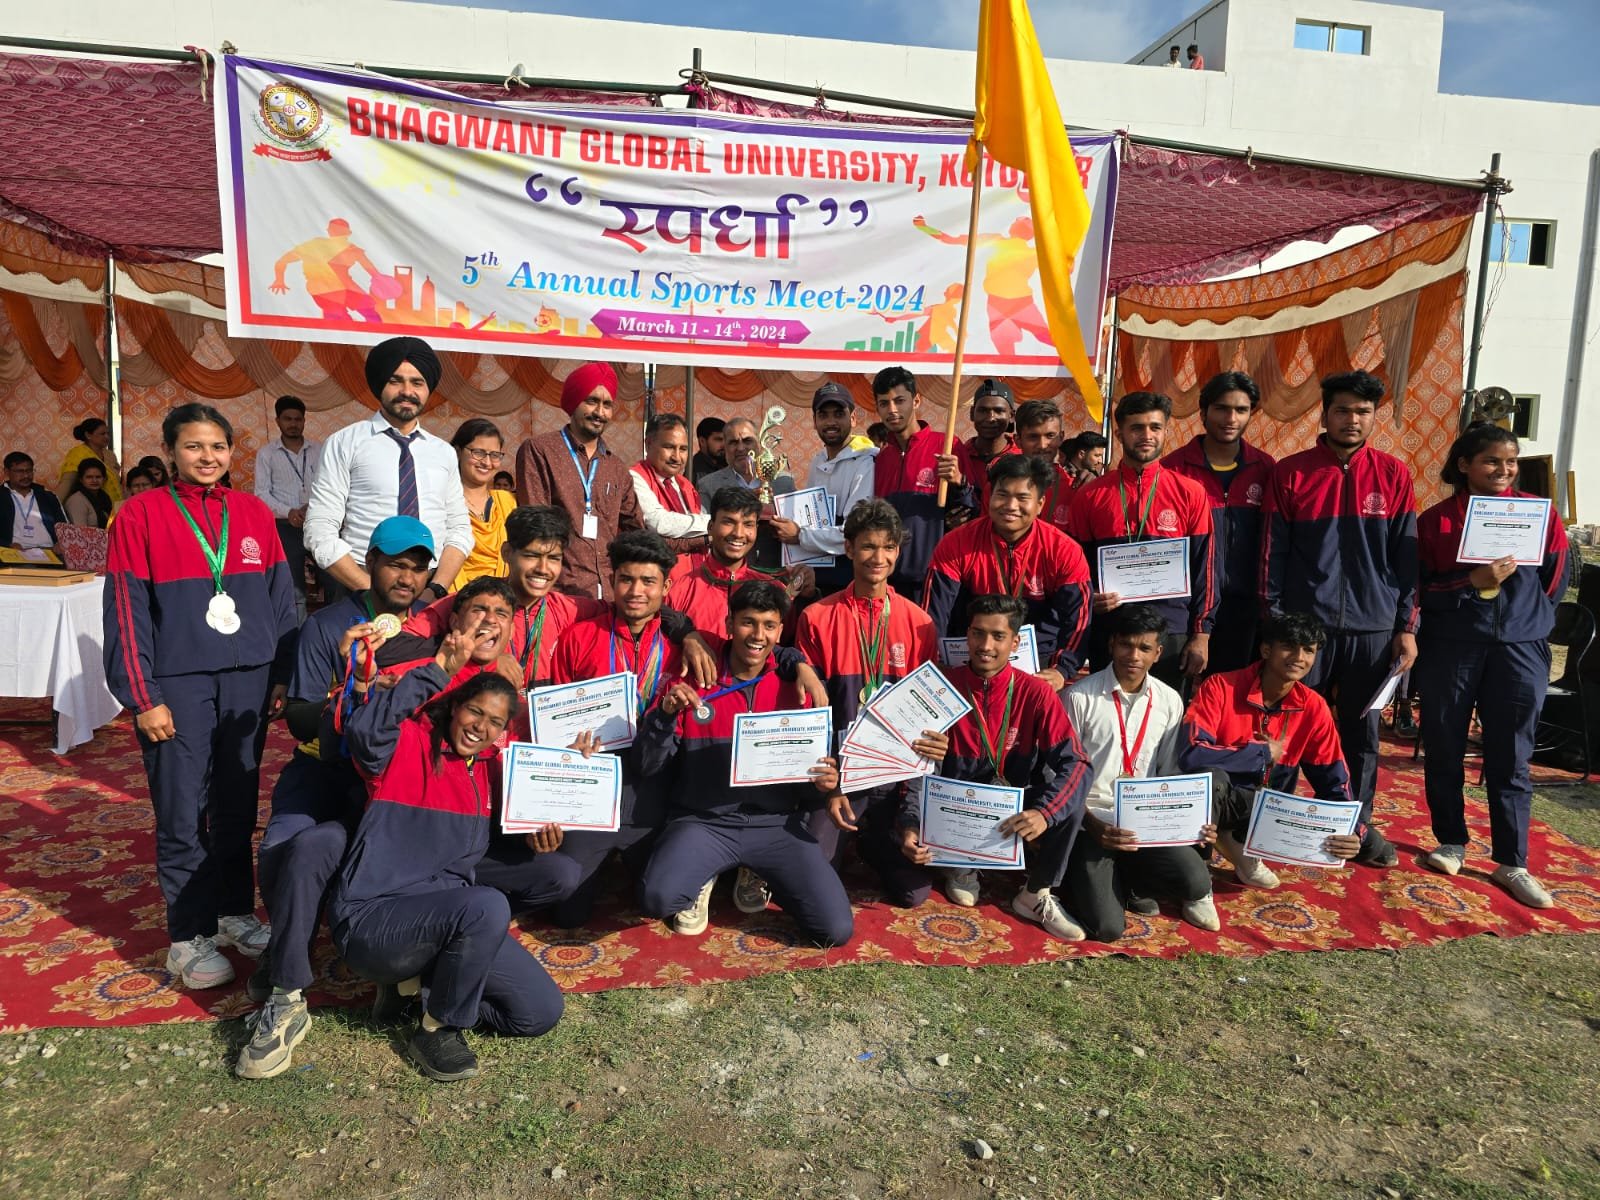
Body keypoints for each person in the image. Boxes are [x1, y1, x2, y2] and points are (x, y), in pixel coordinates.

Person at [103, 403, 298, 989]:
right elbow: (126, 611)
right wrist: (142, 696)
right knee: (182, 807)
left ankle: (234, 911)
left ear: (231, 451)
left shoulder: (253, 513)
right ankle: (188, 935)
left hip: (248, 680)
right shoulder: (140, 514)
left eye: (217, 446)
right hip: (178, 683)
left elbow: (281, 598)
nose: (207, 457)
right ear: (170, 452)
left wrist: (282, 673)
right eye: (193, 446)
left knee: (237, 804)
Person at [237, 516, 439, 1079]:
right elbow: (300, 716)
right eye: (395, 564)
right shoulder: (328, 626)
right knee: (286, 846)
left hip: (393, 775)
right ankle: (287, 966)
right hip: (325, 763)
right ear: (370, 562)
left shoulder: (431, 626)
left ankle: (394, 968)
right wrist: (353, 692)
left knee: (384, 851)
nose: (406, 577)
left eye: (417, 567)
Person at [332, 657, 564, 1083]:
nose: (480, 727)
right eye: (475, 711)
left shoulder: (488, 770)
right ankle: (437, 1028)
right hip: (373, 921)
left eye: (495, 722)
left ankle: (413, 990)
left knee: (539, 1013)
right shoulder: (408, 743)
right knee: (487, 906)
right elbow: (364, 731)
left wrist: (573, 769)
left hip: (442, 921)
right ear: (455, 706)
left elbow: (535, 797)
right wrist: (435, 670)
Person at [638, 581, 854, 944]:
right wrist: (664, 716)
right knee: (657, 899)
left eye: (769, 625)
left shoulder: (797, 684)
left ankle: (759, 870)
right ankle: (706, 873)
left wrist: (826, 784)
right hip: (705, 821)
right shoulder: (695, 677)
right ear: (728, 624)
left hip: (775, 824)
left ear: (780, 631)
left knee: (835, 930)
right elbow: (648, 764)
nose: (758, 635)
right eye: (748, 622)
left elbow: (814, 770)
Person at [1261, 370, 1417, 866]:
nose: (1353, 420)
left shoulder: (1394, 475)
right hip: (1307, 629)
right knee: (1287, 727)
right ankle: (1276, 825)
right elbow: (1272, 553)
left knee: (1361, 735)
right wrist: (1278, 621)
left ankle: (1355, 828)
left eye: (1363, 412)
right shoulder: (1292, 473)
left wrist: (1406, 628)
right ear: (1325, 413)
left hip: (1373, 628)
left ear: (1374, 417)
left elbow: (1407, 560)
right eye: (1343, 410)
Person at [1416, 424, 1571, 908]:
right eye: (1492, 461)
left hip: (1520, 649)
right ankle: (1451, 841)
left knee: (1512, 754)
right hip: (1452, 647)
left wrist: (1528, 621)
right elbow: (1419, 590)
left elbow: (1556, 579)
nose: (1503, 470)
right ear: (1465, 465)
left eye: (1511, 462)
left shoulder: (1540, 515)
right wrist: (1470, 582)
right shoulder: (1437, 521)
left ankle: (1512, 860)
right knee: (1444, 744)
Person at [898, 595, 1091, 935]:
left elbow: (1076, 763)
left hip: (1010, 802)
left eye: (998, 636)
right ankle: (958, 864)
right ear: (967, 635)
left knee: (1070, 804)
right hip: (955, 809)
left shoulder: (1036, 693)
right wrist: (910, 823)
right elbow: (916, 767)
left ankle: (1035, 893)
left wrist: (1044, 813)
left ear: (1015, 642)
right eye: (978, 633)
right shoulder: (943, 687)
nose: (985, 646)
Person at [795, 500, 946, 897]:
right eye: (868, 546)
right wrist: (831, 786)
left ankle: (871, 841)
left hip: (893, 774)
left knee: (913, 893)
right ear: (848, 548)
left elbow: (927, 713)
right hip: (841, 775)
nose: (878, 558)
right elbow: (812, 714)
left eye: (888, 547)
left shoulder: (920, 623)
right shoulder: (817, 617)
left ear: (898, 551)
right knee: (810, 880)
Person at [1061, 604, 1217, 940]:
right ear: (1111, 644)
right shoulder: (1078, 697)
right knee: (1107, 928)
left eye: (1144, 648)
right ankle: (1083, 876)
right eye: (1126, 645)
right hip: (1091, 822)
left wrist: (1192, 822)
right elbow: (1059, 776)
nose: (1134, 655)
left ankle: (1130, 880)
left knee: (1195, 881)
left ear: (1157, 653)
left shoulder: (1169, 700)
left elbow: (1170, 771)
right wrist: (1092, 824)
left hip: (1146, 821)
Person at [1179, 612, 1363, 889]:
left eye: (1308, 650)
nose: (1299, 657)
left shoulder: (1314, 706)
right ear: (1266, 650)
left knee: (1373, 846)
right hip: (1220, 799)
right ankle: (1197, 875)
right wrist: (1260, 754)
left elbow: (1334, 778)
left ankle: (1237, 842)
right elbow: (1190, 754)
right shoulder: (1220, 686)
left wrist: (1353, 829)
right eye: (1289, 647)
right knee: (1209, 778)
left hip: (1270, 808)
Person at [304, 336, 473, 597]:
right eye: (395, 381)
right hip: (361, 581)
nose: (407, 391)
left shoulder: (444, 453)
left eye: (417, 382)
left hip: (429, 584)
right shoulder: (345, 443)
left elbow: (459, 529)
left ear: (428, 389)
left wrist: (435, 589)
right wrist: (369, 589)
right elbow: (319, 528)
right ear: (380, 384)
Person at [1068, 391, 1216, 687]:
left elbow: (1206, 569)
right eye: (1136, 428)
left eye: (1155, 427)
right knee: (1105, 710)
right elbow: (1074, 568)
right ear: (1119, 433)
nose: (1147, 435)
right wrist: (1089, 597)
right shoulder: (1090, 496)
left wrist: (1201, 633)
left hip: (1170, 630)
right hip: (1111, 628)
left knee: (1165, 712)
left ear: (1165, 431)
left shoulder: (1190, 493)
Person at [924, 453, 1092, 682]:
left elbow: (1078, 619)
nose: (1011, 506)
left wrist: (1061, 670)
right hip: (973, 655)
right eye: (1002, 495)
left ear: (1040, 504)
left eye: (1022, 498)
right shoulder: (956, 543)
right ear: (989, 497)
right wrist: (935, 664)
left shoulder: (1064, 550)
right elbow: (933, 614)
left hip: (1039, 660)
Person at [1162, 371, 1276, 673]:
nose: (1231, 418)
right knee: (1177, 690)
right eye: (1222, 408)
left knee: (1230, 690)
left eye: (1241, 410)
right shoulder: (1173, 469)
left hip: (1244, 606)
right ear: (1203, 413)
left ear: (1252, 414)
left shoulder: (1265, 468)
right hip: (1185, 606)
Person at [513, 362, 643, 601]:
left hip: (609, 596)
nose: (600, 412)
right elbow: (536, 528)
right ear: (573, 403)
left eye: (607, 405)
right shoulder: (540, 451)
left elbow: (635, 532)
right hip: (559, 593)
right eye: (592, 401)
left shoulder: (616, 468)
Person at [870, 366, 973, 597]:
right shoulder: (882, 458)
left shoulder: (947, 446)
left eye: (899, 401)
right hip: (889, 579)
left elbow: (970, 510)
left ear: (916, 400)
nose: (892, 410)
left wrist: (959, 483)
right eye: (884, 403)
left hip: (934, 578)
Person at [776, 382, 877, 595]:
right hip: (817, 577)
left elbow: (854, 533)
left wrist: (800, 535)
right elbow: (810, 519)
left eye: (839, 414)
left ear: (853, 418)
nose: (831, 422)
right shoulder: (818, 460)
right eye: (823, 415)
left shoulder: (866, 462)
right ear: (814, 421)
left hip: (849, 582)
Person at [255, 395, 325, 624]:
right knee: (294, 588)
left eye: (298, 419)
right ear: (278, 421)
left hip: (318, 522)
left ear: (304, 421)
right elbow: (261, 494)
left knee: (334, 579)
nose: (293, 424)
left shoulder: (319, 449)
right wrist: (289, 512)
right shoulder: (267, 453)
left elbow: (330, 485)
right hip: (284, 526)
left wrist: (310, 507)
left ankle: (331, 631)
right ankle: (298, 634)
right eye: (288, 419)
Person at [696, 414, 797, 572]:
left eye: (747, 441)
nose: (741, 448)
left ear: (759, 443)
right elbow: (704, 529)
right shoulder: (708, 485)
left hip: (775, 570)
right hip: (727, 572)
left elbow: (796, 529)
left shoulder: (784, 481)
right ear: (725, 447)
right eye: (733, 442)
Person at [450, 417, 516, 591]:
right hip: (453, 597)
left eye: (494, 455)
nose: (487, 462)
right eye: (478, 452)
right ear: (458, 452)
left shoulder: (507, 501)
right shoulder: (444, 502)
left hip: (504, 598)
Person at [631, 413, 709, 555]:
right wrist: (714, 523)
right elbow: (658, 522)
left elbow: (702, 518)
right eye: (669, 447)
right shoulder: (634, 478)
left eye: (683, 449)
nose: (677, 457)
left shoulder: (685, 484)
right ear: (648, 444)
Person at [1013, 400, 1075, 533]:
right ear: (1018, 440)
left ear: (1061, 437)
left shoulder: (1074, 486)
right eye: (1033, 437)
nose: (1042, 445)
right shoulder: (1000, 485)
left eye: (1050, 436)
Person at [966, 379, 1019, 509]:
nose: (990, 418)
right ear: (972, 413)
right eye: (983, 410)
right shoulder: (958, 456)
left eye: (999, 411)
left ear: (1011, 416)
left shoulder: (1022, 458)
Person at [2, 451, 66, 552]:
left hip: (50, 552)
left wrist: (60, 543)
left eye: (29, 471)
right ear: (6, 472)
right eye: (19, 471)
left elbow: (64, 527)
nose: (26, 476)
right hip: (15, 553)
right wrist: (7, 545)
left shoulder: (48, 497)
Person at [57, 417, 123, 506]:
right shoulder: (78, 454)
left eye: (108, 433)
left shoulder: (110, 455)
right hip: (89, 506)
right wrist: (55, 507)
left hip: (113, 505)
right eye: (102, 434)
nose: (107, 437)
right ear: (88, 435)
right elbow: (67, 482)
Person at [63, 457, 113, 528]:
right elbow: (80, 531)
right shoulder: (77, 501)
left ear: (104, 479)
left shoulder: (104, 497)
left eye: (98, 477)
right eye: (89, 477)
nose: (94, 480)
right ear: (81, 479)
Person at [692, 416, 727, 483]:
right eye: (718, 439)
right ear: (702, 441)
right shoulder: (693, 471)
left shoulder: (730, 464)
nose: (724, 445)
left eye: (726, 439)